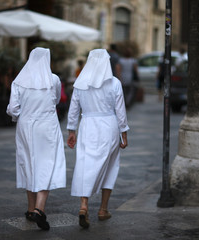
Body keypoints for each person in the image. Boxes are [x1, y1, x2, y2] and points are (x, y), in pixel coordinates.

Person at [67, 49, 129, 229]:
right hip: (109, 126)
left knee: (85, 163)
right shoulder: (114, 83)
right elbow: (120, 111)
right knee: (110, 165)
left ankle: (83, 205)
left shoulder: (80, 83)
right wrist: (123, 133)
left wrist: (72, 131)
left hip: (87, 126)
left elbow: (73, 110)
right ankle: (103, 209)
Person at [6, 47, 66, 231]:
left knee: (28, 162)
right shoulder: (53, 79)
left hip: (26, 126)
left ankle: (31, 208)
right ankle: (39, 209)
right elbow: (56, 100)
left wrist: (21, 116)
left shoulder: (19, 81)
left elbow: (12, 108)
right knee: (47, 163)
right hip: (47, 125)